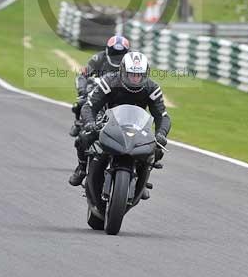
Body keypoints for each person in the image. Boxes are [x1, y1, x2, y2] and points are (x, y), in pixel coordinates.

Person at [69, 51, 171, 187]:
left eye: (139, 75)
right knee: (83, 137)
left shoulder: (152, 88)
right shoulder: (109, 82)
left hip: (137, 126)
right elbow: (89, 106)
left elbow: (162, 116)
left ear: (145, 74)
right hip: (106, 121)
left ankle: (142, 180)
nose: (135, 79)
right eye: (132, 74)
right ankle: (81, 169)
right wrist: (90, 123)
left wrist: (161, 134)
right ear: (122, 71)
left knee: (157, 148)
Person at [71, 35, 130, 131]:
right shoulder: (98, 58)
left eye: (120, 53)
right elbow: (82, 75)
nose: (117, 56)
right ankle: (79, 124)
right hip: (99, 87)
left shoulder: (130, 61)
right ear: (107, 50)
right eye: (114, 52)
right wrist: (82, 91)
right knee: (81, 103)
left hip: (121, 90)